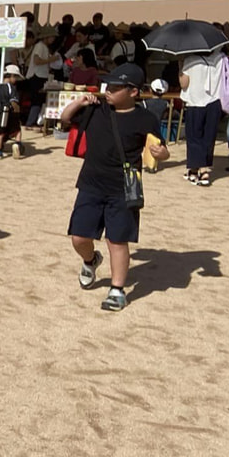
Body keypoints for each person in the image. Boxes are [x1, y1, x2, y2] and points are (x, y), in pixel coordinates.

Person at [61, 62, 170, 312]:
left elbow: (161, 152)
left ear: (133, 91)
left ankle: (117, 289)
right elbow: (66, 119)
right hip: (91, 182)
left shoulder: (145, 118)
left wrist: (161, 154)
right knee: (79, 237)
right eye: (107, 85)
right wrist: (79, 102)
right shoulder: (96, 109)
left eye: (116, 87)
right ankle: (90, 260)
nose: (108, 90)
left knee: (117, 240)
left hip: (124, 187)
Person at [178, 49, 226, 186]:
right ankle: (203, 169)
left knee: (194, 137)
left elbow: (184, 84)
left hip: (195, 102)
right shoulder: (220, 58)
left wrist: (180, 68)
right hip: (214, 102)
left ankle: (196, 169)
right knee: (208, 137)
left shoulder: (190, 60)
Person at [0, 64, 23, 159]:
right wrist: (17, 111)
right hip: (8, 113)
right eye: (15, 77)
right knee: (17, 131)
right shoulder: (11, 88)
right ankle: (17, 145)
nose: (16, 80)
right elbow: (13, 102)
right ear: (11, 76)